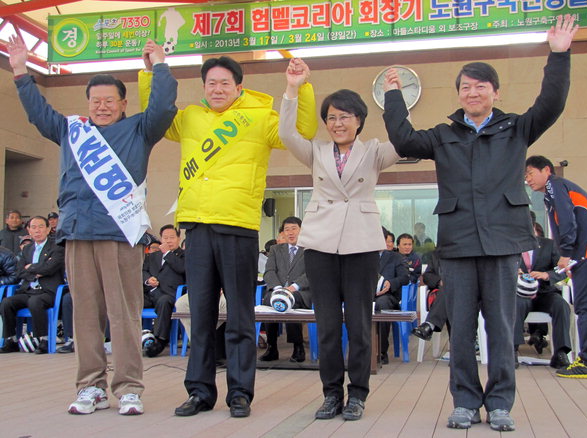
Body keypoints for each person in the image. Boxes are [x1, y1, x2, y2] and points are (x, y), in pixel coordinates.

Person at [382, 14, 578, 431]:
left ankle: (501, 402)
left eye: (480, 87)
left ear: (495, 92)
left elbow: (552, 103)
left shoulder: (516, 129)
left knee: (504, 326)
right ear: (459, 95)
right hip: (458, 245)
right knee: (463, 327)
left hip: (505, 243)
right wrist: (394, 97)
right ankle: (466, 402)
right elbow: (403, 140)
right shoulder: (442, 134)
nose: (473, 93)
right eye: (465, 88)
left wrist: (558, 55)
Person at [138, 47, 317, 418]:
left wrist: (300, 89)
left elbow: (300, 131)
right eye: (211, 83)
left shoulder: (258, 117)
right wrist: (152, 73)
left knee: (239, 315)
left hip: (238, 226)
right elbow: (154, 119)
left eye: (224, 83)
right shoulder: (189, 117)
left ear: (239, 86)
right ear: (203, 87)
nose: (217, 89)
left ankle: (240, 393)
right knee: (200, 315)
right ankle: (200, 392)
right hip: (198, 227)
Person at [7, 35, 177, 415]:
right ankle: (90, 387)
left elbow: (164, 106)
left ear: (122, 103)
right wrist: (20, 71)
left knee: (125, 314)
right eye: (95, 101)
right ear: (87, 104)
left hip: (121, 235)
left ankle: (129, 387)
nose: (102, 107)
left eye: (109, 100)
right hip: (78, 234)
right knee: (85, 315)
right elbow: (39, 114)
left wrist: (160, 66)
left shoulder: (139, 130)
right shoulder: (72, 131)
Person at [279, 58, 400, 421]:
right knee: (328, 326)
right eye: (331, 117)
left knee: (360, 326)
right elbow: (286, 134)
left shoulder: (375, 151)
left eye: (345, 116)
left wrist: (394, 96)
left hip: (362, 246)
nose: (338, 123)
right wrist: (292, 89)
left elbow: (404, 139)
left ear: (359, 120)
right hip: (320, 246)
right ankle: (331, 394)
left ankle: (358, 394)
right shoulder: (315, 152)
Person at [525, 155, 587, 378]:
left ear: (546, 170)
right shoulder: (554, 190)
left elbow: (567, 222)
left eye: (529, 173)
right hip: (585, 254)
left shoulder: (555, 185)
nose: (527, 179)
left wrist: (566, 254)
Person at [0, 216, 64, 354]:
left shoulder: (57, 248)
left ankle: (44, 339)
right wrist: (37, 270)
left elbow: (50, 268)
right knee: (7, 302)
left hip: (47, 292)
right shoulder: (27, 248)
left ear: (48, 229)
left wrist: (31, 268)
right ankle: (11, 340)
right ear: (28, 230)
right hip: (28, 290)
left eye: (41, 227)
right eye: (33, 227)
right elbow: (19, 271)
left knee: (35, 302)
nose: (37, 230)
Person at [513, 226, 571, 369]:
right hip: (520, 294)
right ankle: (512, 350)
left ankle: (560, 352)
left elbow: (562, 269)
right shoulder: (511, 245)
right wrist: (514, 271)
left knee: (561, 305)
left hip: (544, 292)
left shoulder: (549, 245)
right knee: (514, 304)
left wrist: (547, 275)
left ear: (534, 229)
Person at [261, 216, 311, 363]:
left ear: (301, 231)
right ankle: (271, 347)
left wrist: (292, 287)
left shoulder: (309, 250)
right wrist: (278, 288)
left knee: (289, 302)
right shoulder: (276, 249)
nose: (290, 232)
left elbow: (311, 273)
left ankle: (298, 346)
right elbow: (269, 272)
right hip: (278, 290)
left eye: (294, 229)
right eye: (286, 229)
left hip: (300, 292)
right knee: (269, 301)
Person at [142, 224, 186, 357]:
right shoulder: (153, 256)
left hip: (170, 295)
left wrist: (167, 253)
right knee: (128, 300)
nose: (168, 241)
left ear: (178, 238)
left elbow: (182, 269)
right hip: (150, 293)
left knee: (164, 301)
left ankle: (160, 340)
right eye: (165, 238)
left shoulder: (184, 255)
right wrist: (148, 280)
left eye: (172, 237)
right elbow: (143, 271)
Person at [375, 228, 410, 364]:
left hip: (388, 296)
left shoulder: (395, 257)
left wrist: (391, 283)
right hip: (366, 295)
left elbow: (404, 278)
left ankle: (381, 351)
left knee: (381, 304)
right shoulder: (363, 257)